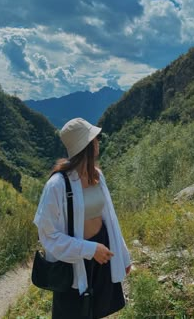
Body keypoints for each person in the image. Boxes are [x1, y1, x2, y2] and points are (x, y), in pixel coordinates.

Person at [34, 118, 132, 319]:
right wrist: (89, 250)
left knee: (96, 309)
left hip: (102, 250)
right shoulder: (57, 185)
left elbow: (110, 218)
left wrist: (123, 255)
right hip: (75, 259)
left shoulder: (97, 175)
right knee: (74, 310)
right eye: (95, 139)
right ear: (87, 145)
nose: (99, 142)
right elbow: (48, 235)